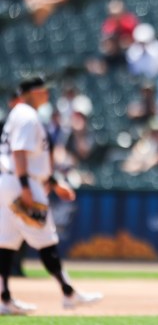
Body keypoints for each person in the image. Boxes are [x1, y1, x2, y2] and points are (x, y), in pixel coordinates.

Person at [0, 77, 103, 315]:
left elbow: (29, 157)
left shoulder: (17, 114)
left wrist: (54, 183)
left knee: (6, 243)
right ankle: (69, 293)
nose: (46, 95)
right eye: (43, 91)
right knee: (46, 240)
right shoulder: (27, 115)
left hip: (9, 182)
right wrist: (25, 187)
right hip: (21, 183)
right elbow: (19, 153)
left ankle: (4, 298)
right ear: (34, 92)